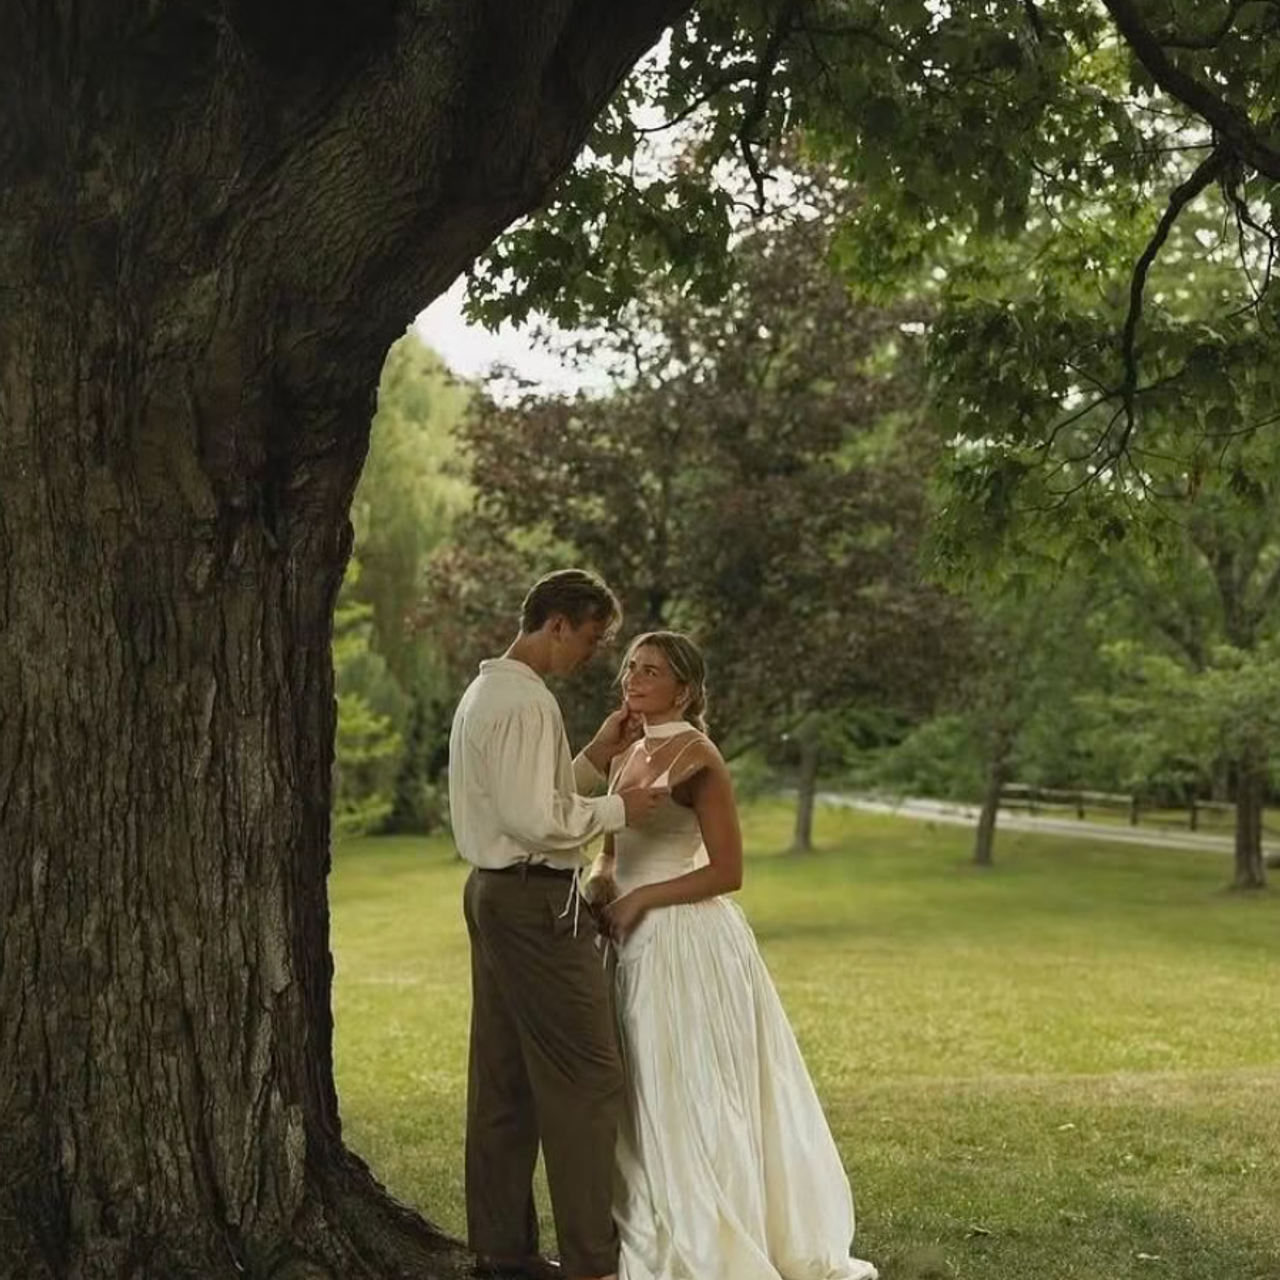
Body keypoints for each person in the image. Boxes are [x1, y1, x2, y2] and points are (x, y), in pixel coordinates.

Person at [585, 631, 879, 1280]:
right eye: (630, 666)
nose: (634, 678)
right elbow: (610, 849)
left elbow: (729, 870)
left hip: (683, 939)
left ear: (684, 689)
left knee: (683, 1083)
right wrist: (605, 884)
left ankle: (707, 1227)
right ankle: (642, 1218)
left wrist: (643, 901)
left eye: (651, 671)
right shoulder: (624, 749)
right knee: (635, 1083)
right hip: (624, 940)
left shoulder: (699, 756)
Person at [448, 569, 668, 1280]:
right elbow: (536, 820)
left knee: (505, 1076)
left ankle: (504, 1254)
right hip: (534, 903)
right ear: (557, 624)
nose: (595, 655)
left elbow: (528, 796)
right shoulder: (523, 701)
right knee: (590, 1076)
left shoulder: (489, 692)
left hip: (494, 892)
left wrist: (596, 758)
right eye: (594, 639)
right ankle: (592, 1264)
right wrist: (618, 809)